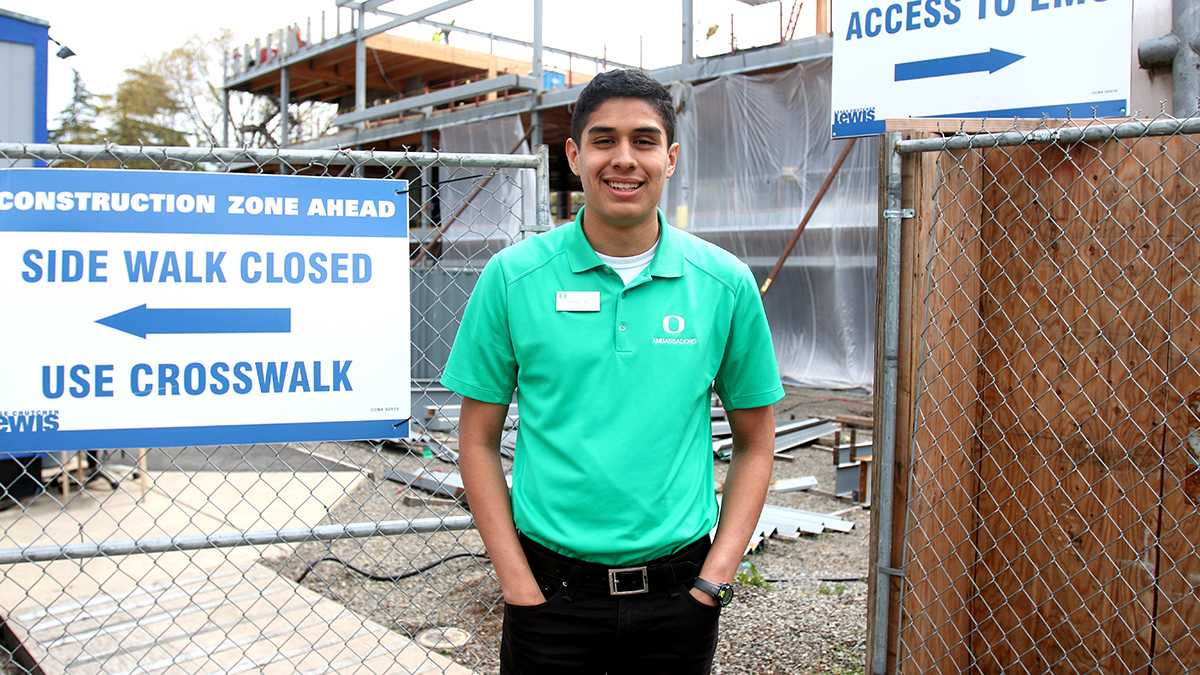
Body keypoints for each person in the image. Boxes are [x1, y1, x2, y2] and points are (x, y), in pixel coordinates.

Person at [441, 68, 784, 674]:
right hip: (549, 596)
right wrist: (518, 584)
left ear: (670, 158)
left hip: (679, 596)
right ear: (573, 154)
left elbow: (757, 445)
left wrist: (714, 583)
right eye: (604, 140)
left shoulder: (724, 283)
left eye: (644, 140)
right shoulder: (512, 278)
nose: (623, 159)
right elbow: (475, 440)